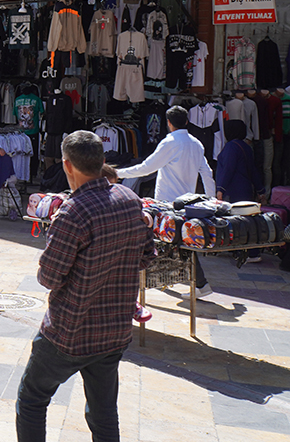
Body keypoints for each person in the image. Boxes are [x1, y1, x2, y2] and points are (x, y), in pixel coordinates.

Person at [15, 131, 153, 442]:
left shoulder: (73, 212)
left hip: (69, 332)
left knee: (32, 400)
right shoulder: (131, 201)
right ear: (103, 162)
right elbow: (146, 256)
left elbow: (49, 277)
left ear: (67, 166)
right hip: (114, 330)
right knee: (104, 412)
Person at [114, 105, 218, 295]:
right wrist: (210, 201)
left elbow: (146, 168)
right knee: (178, 242)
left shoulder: (170, 142)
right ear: (187, 121)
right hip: (187, 203)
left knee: (171, 242)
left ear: (168, 123)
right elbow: (207, 173)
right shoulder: (196, 143)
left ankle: (197, 284)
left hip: (166, 203)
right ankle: (182, 281)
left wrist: (117, 172)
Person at [215, 120, 266, 262]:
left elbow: (228, 169)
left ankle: (245, 252)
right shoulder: (246, 147)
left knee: (237, 222)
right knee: (248, 221)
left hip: (234, 190)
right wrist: (261, 189)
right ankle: (252, 252)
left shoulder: (231, 146)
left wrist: (221, 189)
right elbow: (253, 170)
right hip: (245, 189)